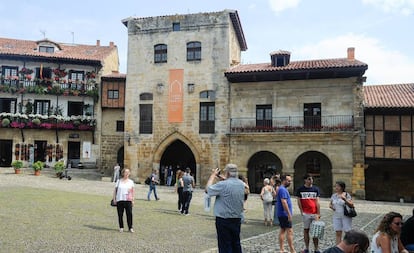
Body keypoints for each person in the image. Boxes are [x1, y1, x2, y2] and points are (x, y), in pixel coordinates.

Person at [206, 164, 245, 253]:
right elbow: (230, 182)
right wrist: (221, 177)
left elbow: (208, 190)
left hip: (223, 219)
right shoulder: (241, 184)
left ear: (227, 173)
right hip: (236, 218)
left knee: (225, 245)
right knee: (236, 244)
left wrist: (213, 175)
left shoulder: (223, 185)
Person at [296, 173, 321, 253]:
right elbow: (299, 201)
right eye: (309, 179)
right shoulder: (300, 189)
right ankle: (307, 248)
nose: (311, 181)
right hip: (306, 213)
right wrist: (301, 211)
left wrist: (318, 213)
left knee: (315, 231)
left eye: (312, 179)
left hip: (314, 213)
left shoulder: (316, 189)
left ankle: (316, 249)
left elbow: (317, 201)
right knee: (306, 230)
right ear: (305, 180)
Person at [277, 174, 296, 253]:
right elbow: (284, 202)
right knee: (289, 231)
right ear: (284, 180)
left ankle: (282, 249)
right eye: (288, 181)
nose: (290, 182)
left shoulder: (282, 189)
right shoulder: (282, 189)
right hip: (284, 214)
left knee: (283, 230)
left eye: (290, 181)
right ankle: (292, 249)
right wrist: (289, 214)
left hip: (282, 213)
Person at [112, 168, 135, 233]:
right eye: (126, 172)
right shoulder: (119, 181)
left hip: (128, 200)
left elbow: (133, 191)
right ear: (123, 173)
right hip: (120, 199)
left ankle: (130, 227)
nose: (127, 173)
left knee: (129, 214)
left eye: (128, 172)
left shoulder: (131, 182)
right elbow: (115, 190)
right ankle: (121, 227)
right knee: (120, 214)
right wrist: (114, 199)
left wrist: (133, 200)